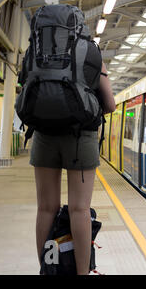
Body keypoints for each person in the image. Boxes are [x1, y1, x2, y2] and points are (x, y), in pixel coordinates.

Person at [30, 62, 115, 275]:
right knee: (80, 209)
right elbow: (111, 105)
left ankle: (48, 269)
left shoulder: (40, 47)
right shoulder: (91, 52)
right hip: (81, 137)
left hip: (44, 134)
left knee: (46, 208)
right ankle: (82, 273)